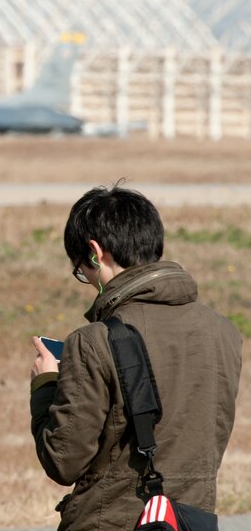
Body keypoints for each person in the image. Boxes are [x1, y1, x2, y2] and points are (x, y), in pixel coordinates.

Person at [29, 183, 242, 531]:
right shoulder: (224, 333)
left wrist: (46, 384)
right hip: (194, 520)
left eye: (83, 271)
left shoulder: (94, 341)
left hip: (112, 520)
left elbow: (63, 461)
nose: (86, 278)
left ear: (96, 252)